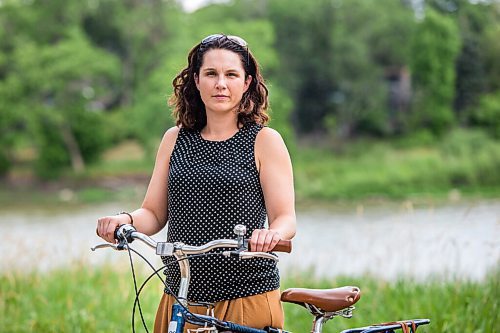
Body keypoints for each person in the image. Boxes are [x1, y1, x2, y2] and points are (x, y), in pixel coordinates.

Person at [96, 33, 296, 332]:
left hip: (247, 293)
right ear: (196, 80)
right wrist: (124, 220)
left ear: (247, 83)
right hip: (181, 293)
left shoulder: (264, 141)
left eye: (231, 75)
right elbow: (153, 213)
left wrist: (271, 234)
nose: (220, 84)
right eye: (211, 74)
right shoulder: (174, 139)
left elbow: (285, 218)